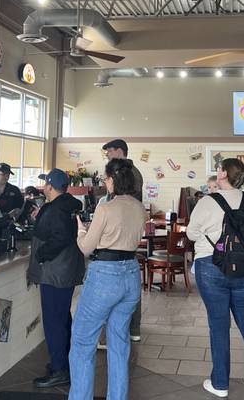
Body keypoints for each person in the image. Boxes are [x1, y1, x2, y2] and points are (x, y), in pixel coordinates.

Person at [187, 158, 244, 397]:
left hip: (211, 266)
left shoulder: (208, 201)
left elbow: (192, 234)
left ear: (223, 174)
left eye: (219, 169)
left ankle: (220, 383)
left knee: (219, 325)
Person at [69, 158, 146, 400]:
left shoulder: (105, 208)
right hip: (132, 275)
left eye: (105, 178)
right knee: (120, 343)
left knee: (82, 342)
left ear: (112, 180)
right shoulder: (138, 207)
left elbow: (86, 248)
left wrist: (81, 230)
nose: (105, 182)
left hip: (105, 276)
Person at [27, 168, 86, 388]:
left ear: (50, 186)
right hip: (67, 270)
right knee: (62, 318)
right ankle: (66, 363)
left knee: (53, 321)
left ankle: (60, 369)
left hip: (54, 272)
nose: (43, 187)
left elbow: (58, 237)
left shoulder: (55, 209)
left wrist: (41, 255)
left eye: (45, 184)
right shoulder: (70, 205)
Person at [98, 139, 144, 346]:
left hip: (119, 230)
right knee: (130, 282)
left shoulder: (127, 173)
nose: (107, 155)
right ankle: (131, 328)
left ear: (119, 151)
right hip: (129, 230)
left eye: (109, 151)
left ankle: (120, 330)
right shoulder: (132, 172)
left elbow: (118, 202)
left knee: (117, 285)